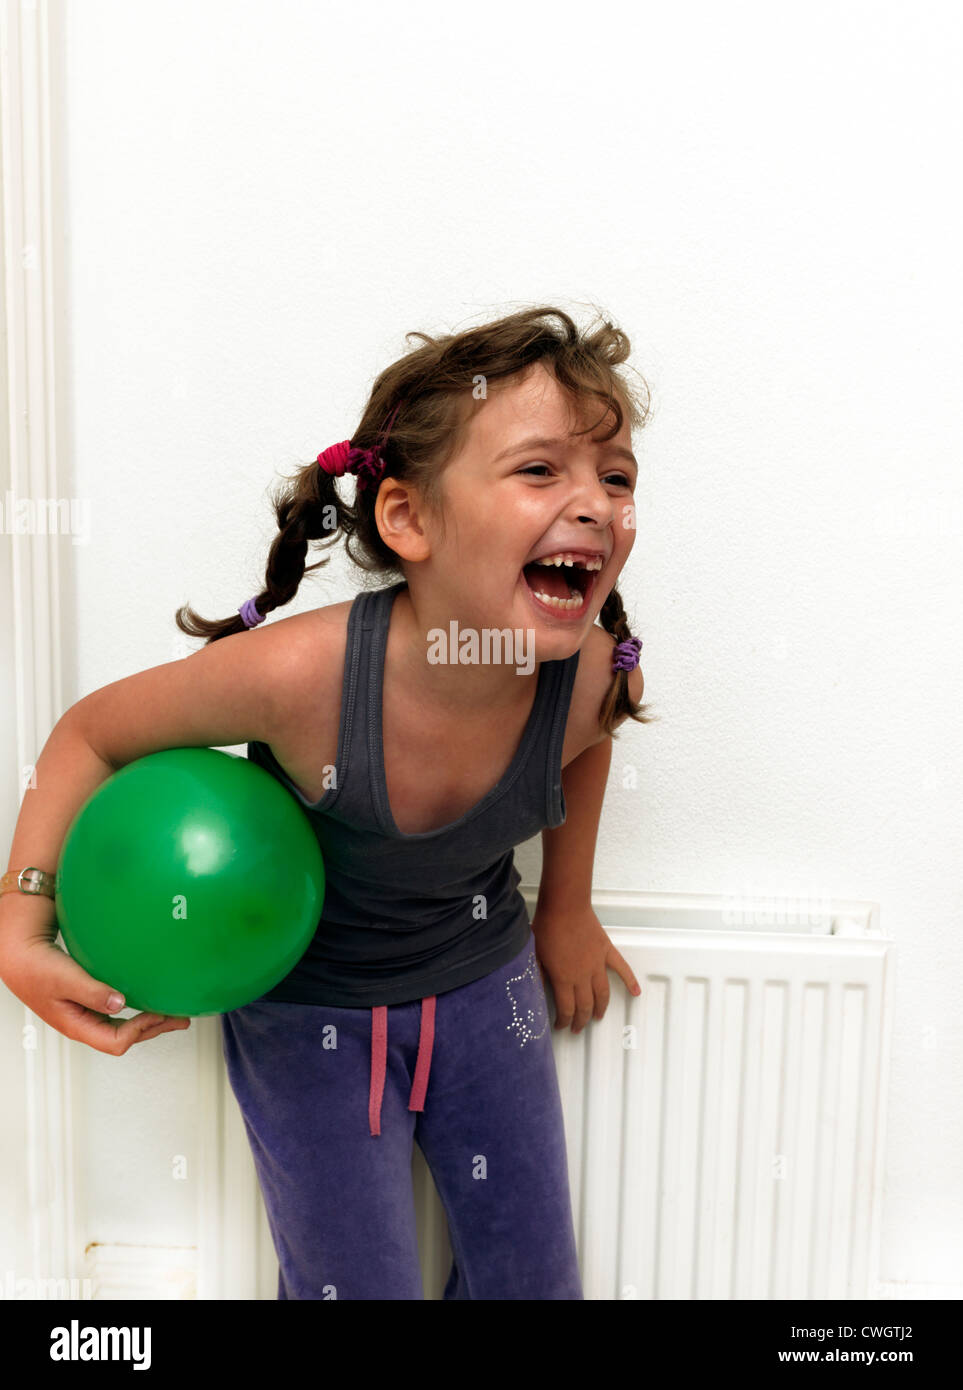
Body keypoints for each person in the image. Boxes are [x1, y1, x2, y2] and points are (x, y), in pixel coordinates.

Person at [0, 304, 657, 1300]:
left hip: (487, 994)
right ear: (409, 519)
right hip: (311, 1016)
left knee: (537, 1287)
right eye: (540, 470)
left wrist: (566, 907)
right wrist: (20, 914)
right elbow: (91, 731)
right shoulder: (299, 678)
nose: (597, 505)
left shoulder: (597, 673)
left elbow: (590, 738)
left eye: (616, 478)